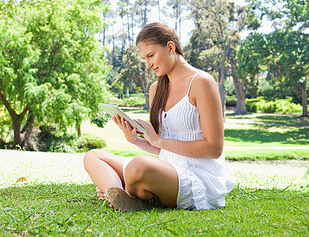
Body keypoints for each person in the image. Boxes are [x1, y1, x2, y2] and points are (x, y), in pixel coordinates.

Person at [83, 22, 234, 211]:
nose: (148, 65)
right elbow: (162, 148)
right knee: (93, 156)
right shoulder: (156, 89)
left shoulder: (202, 82)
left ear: (170, 47)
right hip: (165, 168)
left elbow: (214, 148)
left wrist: (159, 141)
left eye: (151, 56)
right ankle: (118, 195)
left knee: (138, 166)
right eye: (144, 59)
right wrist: (137, 141)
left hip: (197, 174)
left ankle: (120, 191)